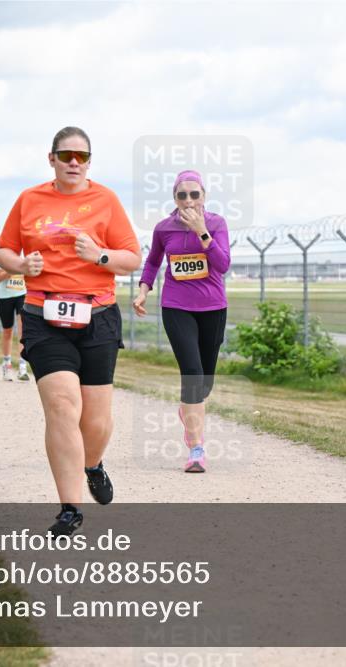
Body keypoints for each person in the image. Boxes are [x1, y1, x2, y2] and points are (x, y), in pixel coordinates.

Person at [0, 126, 142, 537]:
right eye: (66, 156)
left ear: (89, 161)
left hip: (98, 315)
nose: (74, 163)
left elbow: (132, 259)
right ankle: (70, 507)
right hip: (44, 316)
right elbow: (3, 250)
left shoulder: (106, 200)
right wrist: (21, 266)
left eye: (82, 156)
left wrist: (101, 255)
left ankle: (92, 465)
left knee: (96, 421)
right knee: (61, 405)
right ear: (52, 159)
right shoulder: (29, 200)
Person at [133, 170, 231, 473]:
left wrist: (202, 232)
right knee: (191, 373)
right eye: (181, 195)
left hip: (213, 307)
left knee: (205, 382)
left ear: (204, 196)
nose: (188, 200)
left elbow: (223, 264)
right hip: (176, 305)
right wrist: (143, 291)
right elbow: (153, 262)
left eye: (194, 194)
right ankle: (196, 448)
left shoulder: (216, 224)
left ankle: (188, 413)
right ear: (174, 198)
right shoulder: (164, 229)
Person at [0, 264, 30, 382]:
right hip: (4, 297)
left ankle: (22, 367)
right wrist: (12, 270)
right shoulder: (2, 257)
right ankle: (6, 364)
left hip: (21, 294)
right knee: (7, 331)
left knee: (22, 329)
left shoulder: (24, 257)